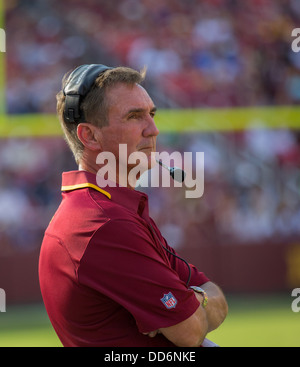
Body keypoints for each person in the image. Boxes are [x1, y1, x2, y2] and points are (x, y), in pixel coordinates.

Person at [39, 64, 228, 347]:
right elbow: (190, 332)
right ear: (89, 135)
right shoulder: (102, 223)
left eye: (151, 114)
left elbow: (215, 296)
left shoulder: (111, 209)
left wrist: (194, 300)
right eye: (134, 116)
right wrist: (193, 302)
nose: (153, 129)